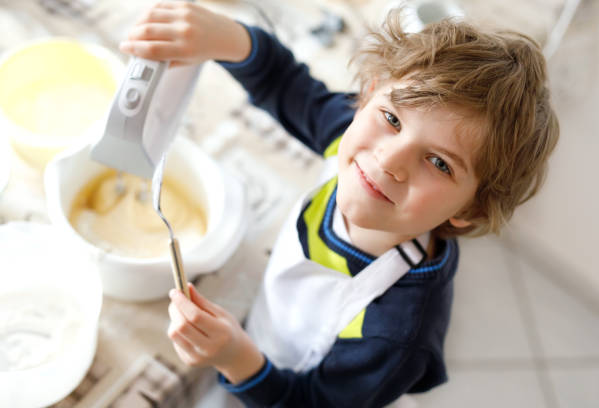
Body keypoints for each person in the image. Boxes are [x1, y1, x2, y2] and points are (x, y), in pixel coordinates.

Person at [120, 1, 559, 407]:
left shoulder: (398, 333)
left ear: (471, 209)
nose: (388, 160)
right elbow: (284, 83)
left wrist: (235, 357)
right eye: (392, 118)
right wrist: (226, 36)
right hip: (261, 332)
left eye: (439, 163)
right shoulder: (346, 135)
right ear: (367, 96)